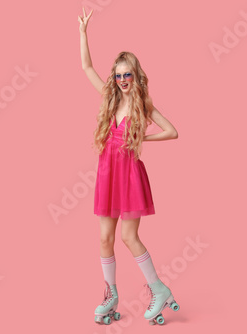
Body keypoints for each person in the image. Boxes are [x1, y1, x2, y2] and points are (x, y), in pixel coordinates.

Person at [78, 7, 180, 326]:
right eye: (118, 74)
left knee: (128, 237)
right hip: (107, 175)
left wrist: (142, 140)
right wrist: (83, 33)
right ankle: (111, 295)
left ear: (135, 75)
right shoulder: (109, 98)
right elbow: (87, 66)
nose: (122, 80)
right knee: (105, 238)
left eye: (127, 74)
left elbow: (173, 130)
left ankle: (158, 288)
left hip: (129, 176)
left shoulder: (143, 104)